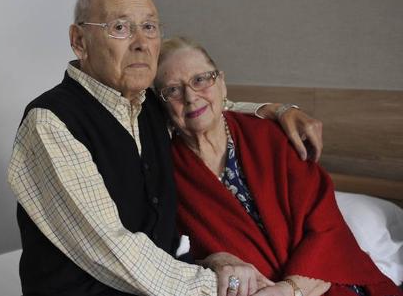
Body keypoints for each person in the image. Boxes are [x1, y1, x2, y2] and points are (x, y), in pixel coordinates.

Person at [8, 0, 322, 296]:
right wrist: (222, 289)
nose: (142, 43)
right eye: (120, 27)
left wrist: (277, 110)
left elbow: (208, 105)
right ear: (80, 41)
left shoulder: (152, 108)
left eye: (150, 27)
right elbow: (113, 248)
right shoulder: (50, 122)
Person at [153, 36, 402, 296]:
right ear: (162, 104)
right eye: (173, 90)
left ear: (222, 83)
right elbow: (175, 253)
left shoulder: (272, 138)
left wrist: (288, 290)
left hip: (325, 281)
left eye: (200, 80)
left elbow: (326, 226)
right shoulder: (165, 172)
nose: (191, 97)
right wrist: (214, 262)